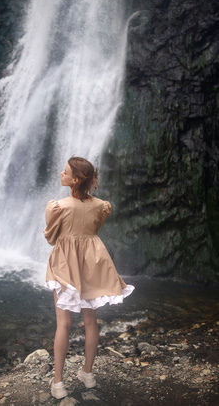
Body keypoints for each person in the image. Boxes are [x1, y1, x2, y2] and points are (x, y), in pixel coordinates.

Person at [43, 156, 135, 400]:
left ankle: (59, 383)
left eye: (64, 172)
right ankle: (88, 374)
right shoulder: (101, 205)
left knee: (63, 323)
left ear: (74, 180)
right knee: (91, 321)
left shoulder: (59, 207)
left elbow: (51, 237)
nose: (60, 174)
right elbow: (93, 229)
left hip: (65, 266)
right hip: (92, 264)